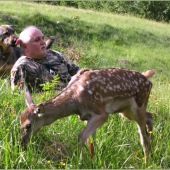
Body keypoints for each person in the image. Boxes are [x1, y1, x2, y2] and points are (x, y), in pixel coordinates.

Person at [11, 26, 79, 92]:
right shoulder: (22, 66)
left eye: (43, 38)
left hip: (75, 92)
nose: (43, 42)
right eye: (37, 40)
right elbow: (19, 95)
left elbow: (79, 72)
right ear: (25, 46)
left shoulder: (54, 54)